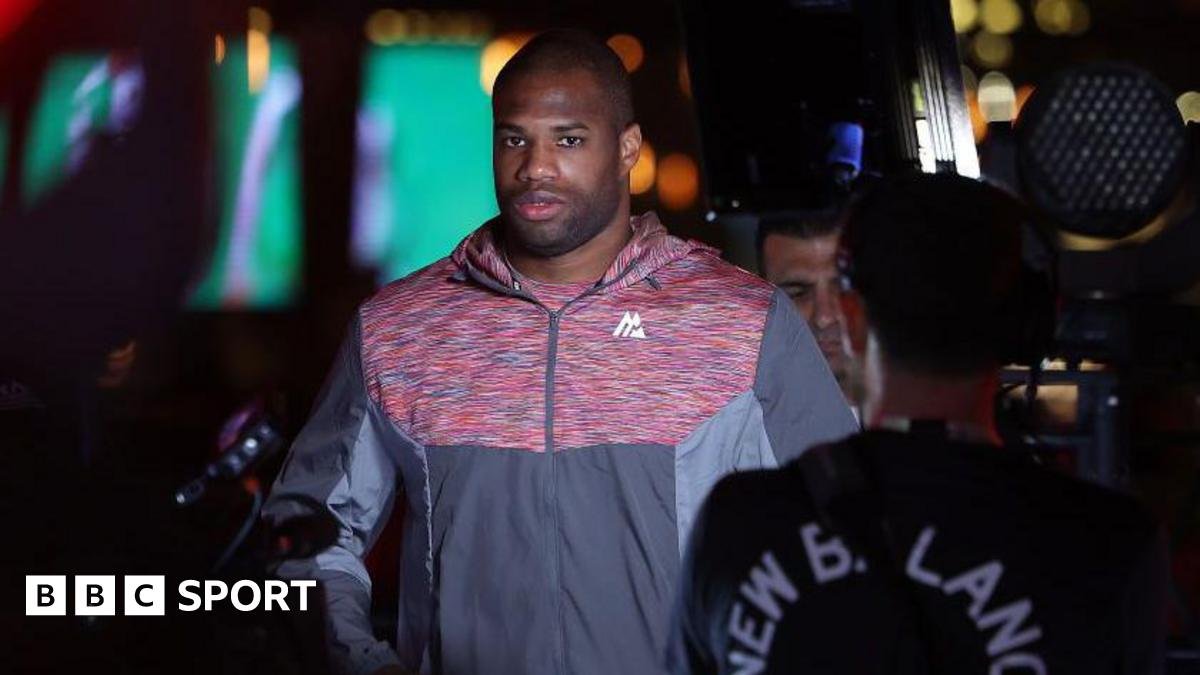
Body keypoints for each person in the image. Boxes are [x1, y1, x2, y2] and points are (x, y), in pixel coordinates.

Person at [262, 29, 857, 675]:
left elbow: (847, 542)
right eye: (514, 138)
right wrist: (363, 663)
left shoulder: (742, 321)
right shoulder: (399, 328)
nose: (535, 167)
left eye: (568, 140)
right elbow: (304, 534)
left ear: (627, 147)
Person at [668, 173, 1168, 674]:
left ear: (852, 317)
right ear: (1025, 323)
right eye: (797, 290)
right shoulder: (1105, 546)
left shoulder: (739, 524)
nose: (820, 318)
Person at [757, 208, 866, 410]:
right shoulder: (735, 435)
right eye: (798, 294)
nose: (824, 317)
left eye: (843, 287)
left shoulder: (935, 420)